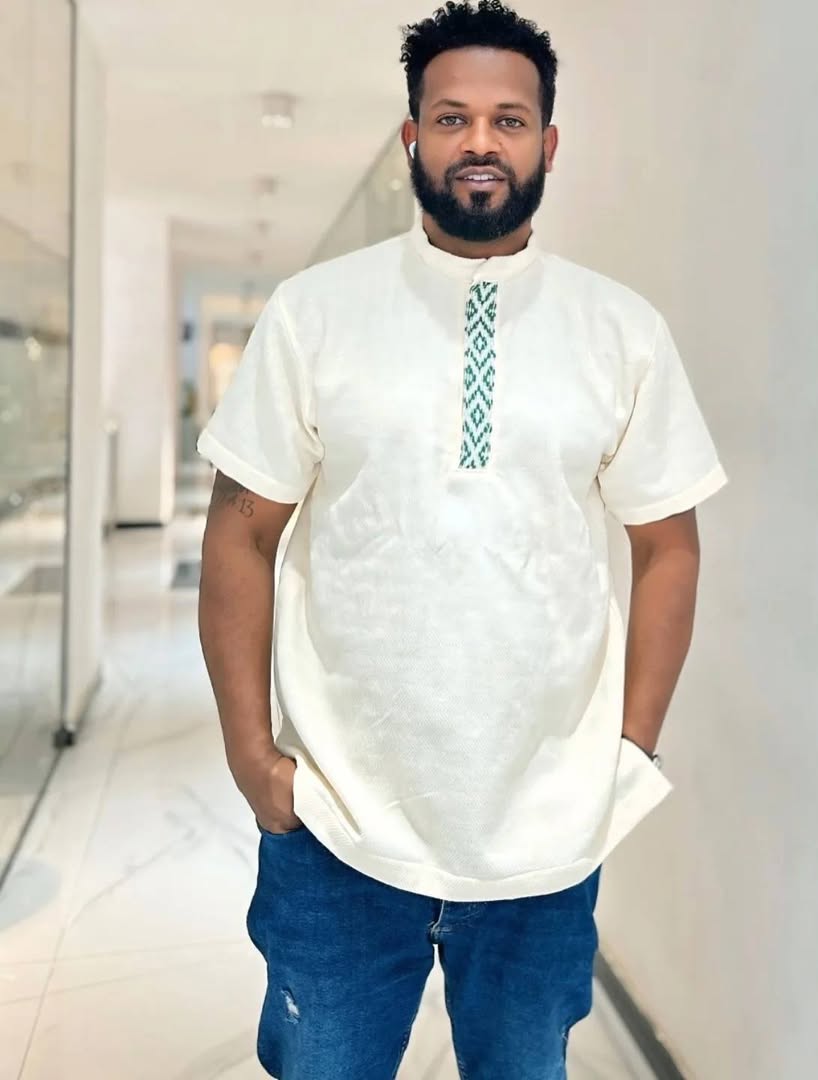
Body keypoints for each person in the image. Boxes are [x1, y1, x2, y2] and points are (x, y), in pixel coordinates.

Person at [196, 2, 728, 1076]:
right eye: (450, 117)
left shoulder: (618, 331)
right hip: (341, 828)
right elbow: (240, 537)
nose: (480, 141)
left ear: (548, 143)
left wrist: (627, 754)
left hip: (544, 836)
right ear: (411, 140)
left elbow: (669, 542)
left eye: (508, 119)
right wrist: (254, 758)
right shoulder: (315, 314)